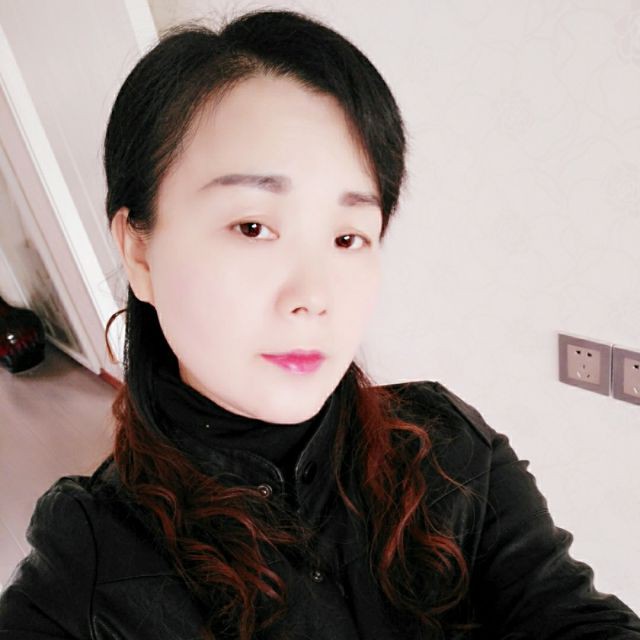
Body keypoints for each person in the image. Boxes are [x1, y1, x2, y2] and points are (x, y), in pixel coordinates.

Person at [0, 8, 638, 640]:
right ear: (139, 251)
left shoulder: (447, 448)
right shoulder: (90, 565)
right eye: (253, 226)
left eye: (347, 236)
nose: (313, 296)